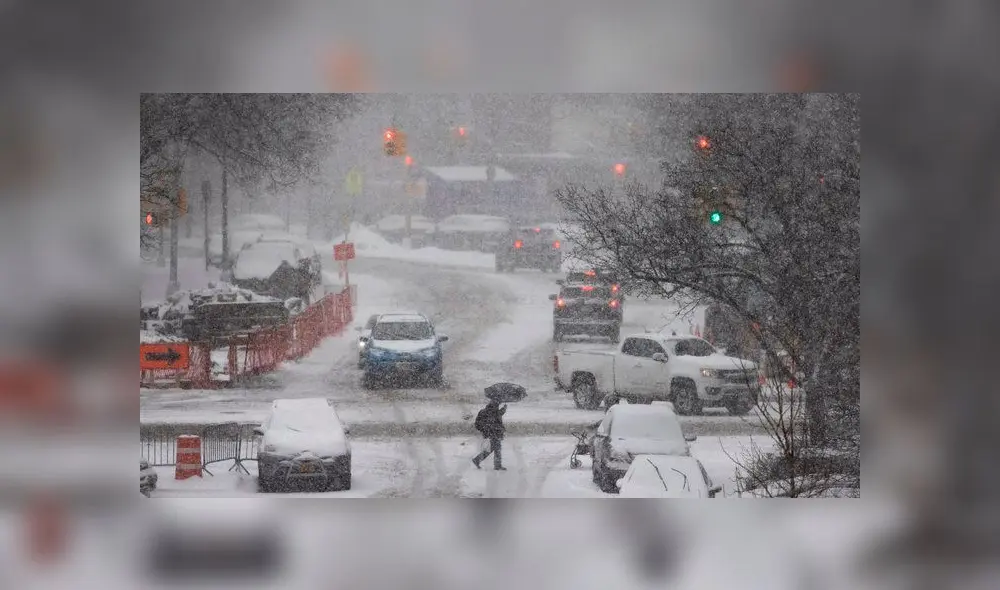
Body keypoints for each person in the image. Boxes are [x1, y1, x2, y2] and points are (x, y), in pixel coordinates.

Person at [472, 399, 507, 470]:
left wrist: (484, 430)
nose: (497, 406)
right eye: (497, 405)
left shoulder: (483, 411)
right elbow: (497, 416)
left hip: (489, 432)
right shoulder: (494, 412)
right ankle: (497, 465)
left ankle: (477, 460)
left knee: (492, 448)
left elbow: (477, 423)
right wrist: (504, 408)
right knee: (497, 449)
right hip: (494, 433)